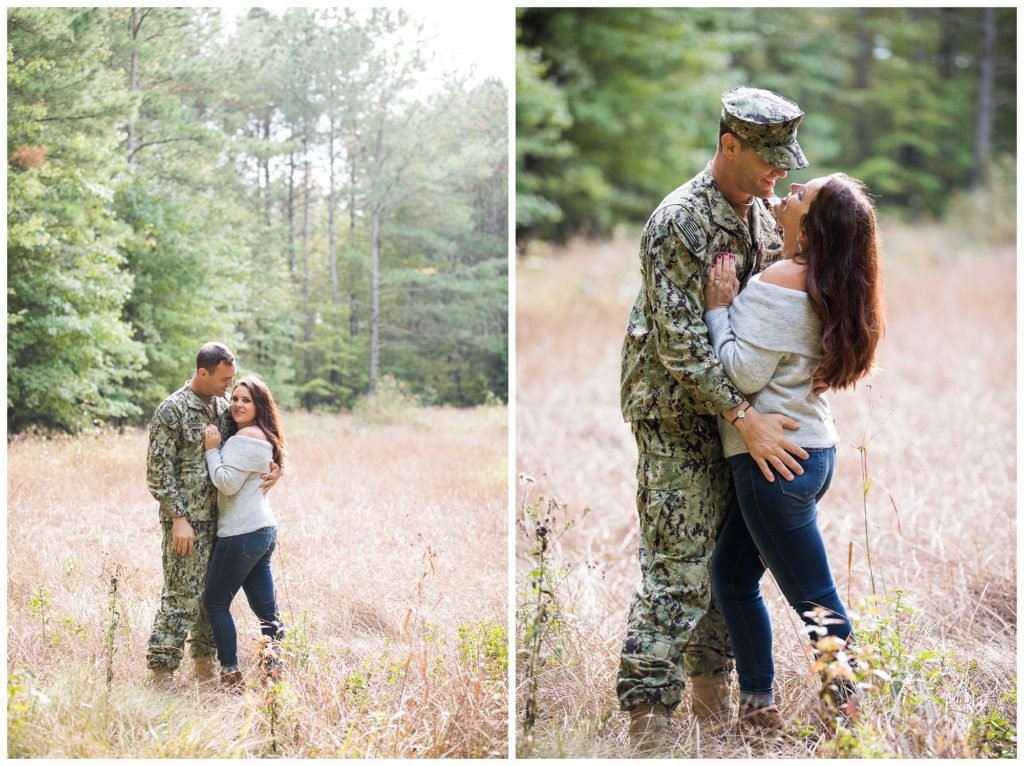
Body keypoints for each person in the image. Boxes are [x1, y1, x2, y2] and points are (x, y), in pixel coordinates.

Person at [618, 86, 813, 752]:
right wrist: (741, 413)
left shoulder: (763, 218)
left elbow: (762, 323)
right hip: (678, 418)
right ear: (729, 145)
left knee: (726, 577)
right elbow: (678, 342)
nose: (779, 171)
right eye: (768, 157)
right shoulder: (679, 220)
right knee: (676, 570)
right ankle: (648, 722)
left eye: (786, 158)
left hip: (737, 425)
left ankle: (713, 712)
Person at [704, 173, 884, 729]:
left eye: (804, 192)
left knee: (815, 601)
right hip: (811, 452)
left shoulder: (783, 279)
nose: (793, 187)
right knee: (731, 577)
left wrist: (718, 309)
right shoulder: (829, 282)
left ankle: (850, 720)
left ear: (812, 224)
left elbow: (740, 371)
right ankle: (759, 708)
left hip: (776, 464)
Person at [145, 343, 280, 688]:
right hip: (187, 523)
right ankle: (161, 676)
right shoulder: (172, 410)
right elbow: (158, 472)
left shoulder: (224, 409)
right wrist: (177, 518)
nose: (229, 386)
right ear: (203, 373)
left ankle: (204, 669)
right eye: (225, 379)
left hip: (223, 525)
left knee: (209, 602)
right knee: (180, 597)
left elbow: (254, 448)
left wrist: (277, 469)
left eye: (233, 379)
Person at [202, 375, 287, 690]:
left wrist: (212, 450)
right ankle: (274, 674)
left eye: (246, 400)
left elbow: (226, 482)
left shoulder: (245, 438)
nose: (237, 404)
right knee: (267, 612)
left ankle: (230, 674)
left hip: (241, 534)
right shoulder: (262, 435)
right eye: (234, 398)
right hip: (261, 531)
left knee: (215, 603)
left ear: (259, 405)